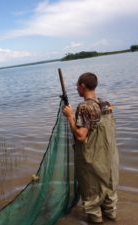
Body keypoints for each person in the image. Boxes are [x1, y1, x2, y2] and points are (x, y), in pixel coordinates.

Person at [63, 72, 119, 224]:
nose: (77, 89)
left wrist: (69, 116)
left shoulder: (85, 107)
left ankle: (96, 221)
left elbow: (81, 135)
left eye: (77, 86)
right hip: (110, 157)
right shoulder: (105, 104)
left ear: (82, 86)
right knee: (109, 192)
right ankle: (111, 219)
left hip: (92, 158)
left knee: (92, 193)